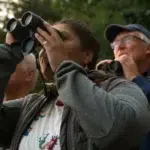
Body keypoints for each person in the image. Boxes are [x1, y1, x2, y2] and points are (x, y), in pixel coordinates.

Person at [0, 19, 149, 150]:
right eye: (42, 42)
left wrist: (62, 67)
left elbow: (121, 131)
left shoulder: (117, 88)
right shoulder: (30, 105)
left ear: (87, 55)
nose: (47, 46)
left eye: (59, 38)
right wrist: (7, 56)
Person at [97, 24, 150, 101]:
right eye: (114, 44)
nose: (119, 47)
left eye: (128, 39)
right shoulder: (115, 81)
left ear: (148, 48)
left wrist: (135, 78)